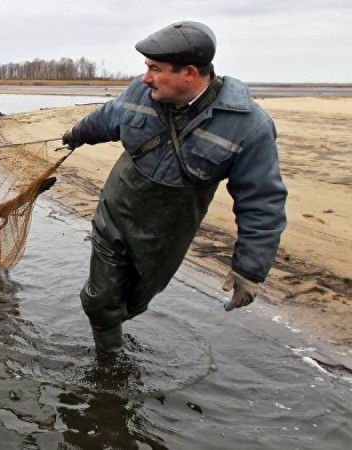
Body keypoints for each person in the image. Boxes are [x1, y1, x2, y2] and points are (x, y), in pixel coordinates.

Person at [61, 21, 287, 355]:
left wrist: (249, 270)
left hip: (165, 236)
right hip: (115, 213)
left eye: (155, 69)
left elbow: (262, 202)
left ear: (190, 73)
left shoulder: (249, 127)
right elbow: (108, 117)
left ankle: (113, 339)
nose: (145, 77)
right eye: (146, 67)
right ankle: (109, 365)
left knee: (133, 301)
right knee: (98, 300)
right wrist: (76, 135)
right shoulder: (141, 93)